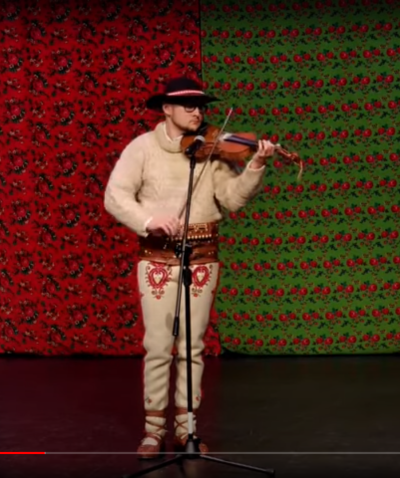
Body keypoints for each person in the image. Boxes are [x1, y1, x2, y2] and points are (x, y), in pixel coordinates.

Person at [104, 77, 276, 459]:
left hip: (202, 257)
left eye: (201, 106)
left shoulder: (211, 149)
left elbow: (232, 199)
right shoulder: (142, 148)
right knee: (157, 346)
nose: (198, 112)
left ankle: (187, 429)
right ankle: (153, 431)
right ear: (166, 109)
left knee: (192, 346)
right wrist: (149, 220)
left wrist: (256, 165)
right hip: (157, 258)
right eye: (189, 106)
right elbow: (115, 196)